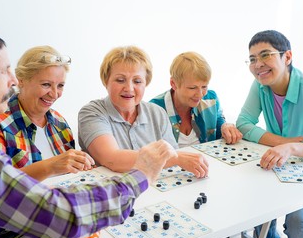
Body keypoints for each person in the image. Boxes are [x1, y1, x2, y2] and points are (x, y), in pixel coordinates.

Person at [0, 27, 177, 238]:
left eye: (60, 85)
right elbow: (55, 213)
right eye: (4, 71)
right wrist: (141, 175)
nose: (12, 80)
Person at [0, 46, 98, 238]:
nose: (54, 94)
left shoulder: (59, 123)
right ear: (21, 80)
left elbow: (69, 183)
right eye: (46, 84)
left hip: (59, 222)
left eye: (60, 85)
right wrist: (50, 166)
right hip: (14, 235)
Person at [236, 30, 303, 238]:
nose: (258, 64)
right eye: (252, 59)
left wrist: (292, 148)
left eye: (265, 55)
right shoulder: (259, 86)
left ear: (287, 57)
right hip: (282, 165)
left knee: (298, 221)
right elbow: (243, 123)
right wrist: (284, 142)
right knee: (255, 205)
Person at [150, 51, 242, 238]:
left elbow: (218, 122)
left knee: (221, 218)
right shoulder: (153, 108)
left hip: (205, 174)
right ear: (173, 84)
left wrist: (226, 126)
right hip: (171, 182)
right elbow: (151, 153)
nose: (199, 94)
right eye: (192, 87)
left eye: (204, 86)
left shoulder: (211, 98)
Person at [78, 45, 209, 179]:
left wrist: (175, 158)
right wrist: (176, 158)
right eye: (120, 80)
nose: (129, 88)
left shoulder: (157, 113)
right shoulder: (91, 113)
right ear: (106, 81)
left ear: (145, 83)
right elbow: (112, 158)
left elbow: (172, 161)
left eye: (137, 81)